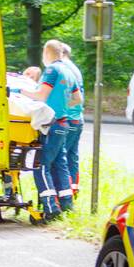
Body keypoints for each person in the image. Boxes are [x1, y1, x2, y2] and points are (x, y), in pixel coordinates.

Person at [22, 40, 80, 218]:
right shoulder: (69, 71)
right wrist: (61, 106)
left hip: (51, 124)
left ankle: (50, 208)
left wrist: (19, 91)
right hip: (64, 123)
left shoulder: (52, 70)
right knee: (60, 164)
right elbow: (77, 99)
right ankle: (66, 205)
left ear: (46, 53)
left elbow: (41, 95)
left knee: (41, 165)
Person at [59, 43, 84, 197]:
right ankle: (73, 189)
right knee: (72, 157)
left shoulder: (63, 69)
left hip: (68, 117)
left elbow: (64, 95)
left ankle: (64, 195)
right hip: (77, 118)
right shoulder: (74, 68)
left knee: (61, 159)